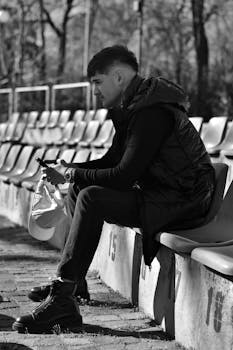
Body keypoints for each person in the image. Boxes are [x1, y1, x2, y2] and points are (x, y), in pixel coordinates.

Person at [12, 45, 215, 333]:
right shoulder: (135, 106)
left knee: (91, 197)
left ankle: (62, 298)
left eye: (97, 82)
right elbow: (112, 161)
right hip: (165, 193)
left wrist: (71, 172)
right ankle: (73, 283)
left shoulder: (152, 113)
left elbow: (123, 175)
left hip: (184, 200)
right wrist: (71, 169)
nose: (94, 91)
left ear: (119, 77)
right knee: (83, 185)